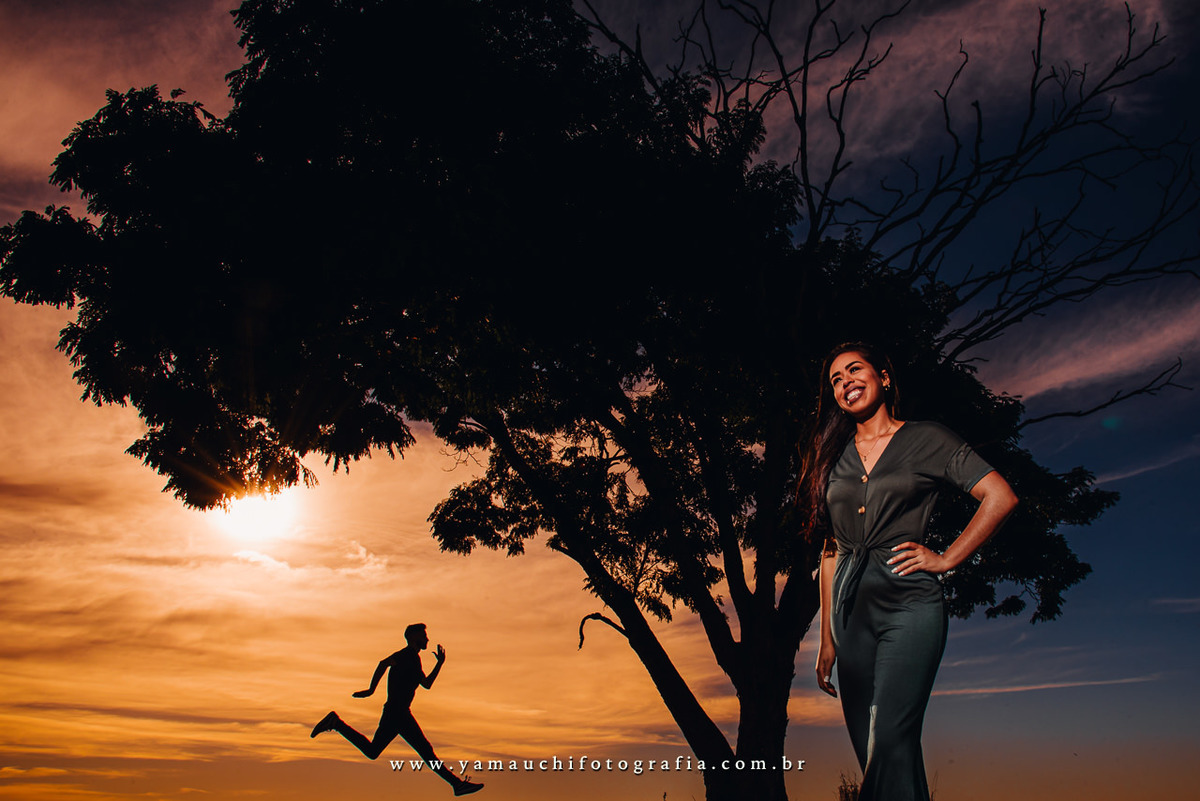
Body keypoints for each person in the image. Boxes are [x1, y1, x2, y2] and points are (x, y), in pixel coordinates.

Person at [799, 342, 1018, 801]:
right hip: (850, 616)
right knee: (874, 751)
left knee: (892, 740)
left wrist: (948, 557)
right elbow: (830, 551)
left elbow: (1000, 497)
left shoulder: (928, 438)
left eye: (854, 370)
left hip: (910, 605)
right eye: (835, 380)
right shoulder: (832, 455)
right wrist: (826, 640)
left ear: (884, 377)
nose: (845, 383)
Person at [311, 623, 483, 796]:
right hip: (398, 713)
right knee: (426, 751)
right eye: (424, 636)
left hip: (396, 713)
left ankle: (336, 723)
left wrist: (440, 664)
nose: (427, 639)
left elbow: (426, 684)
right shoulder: (406, 655)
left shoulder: (415, 660)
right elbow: (383, 663)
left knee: (374, 751)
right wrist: (371, 690)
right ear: (414, 637)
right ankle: (457, 784)